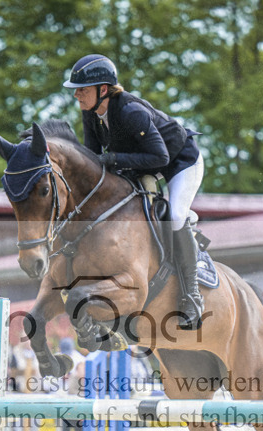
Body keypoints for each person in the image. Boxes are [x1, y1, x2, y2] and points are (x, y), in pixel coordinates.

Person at [63, 54, 206, 329]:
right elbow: (94, 156)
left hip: (179, 161)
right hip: (143, 164)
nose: (77, 95)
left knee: (175, 214)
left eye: (82, 89)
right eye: (76, 90)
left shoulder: (131, 112)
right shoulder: (91, 113)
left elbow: (160, 157)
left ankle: (192, 295)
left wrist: (114, 160)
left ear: (103, 90)